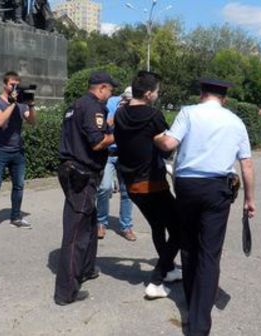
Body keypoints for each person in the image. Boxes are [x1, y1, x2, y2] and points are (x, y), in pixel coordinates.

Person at [154, 78, 256, 335]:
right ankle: (200, 322)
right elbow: (247, 165)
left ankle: (191, 300)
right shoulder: (236, 121)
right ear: (225, 98)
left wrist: (155, 136)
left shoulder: (188, 112)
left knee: (188, 246)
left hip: (187, 186)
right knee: (210, 253)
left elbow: (168, 144)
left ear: (202, 94)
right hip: (217, 189)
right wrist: (249, 200)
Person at [114, 71, 182, 299]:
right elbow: (167, 145)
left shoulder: (120, 113)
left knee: (157, 226)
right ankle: (156, 281)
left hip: (130, 183)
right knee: (180, 229)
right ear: (149, 93)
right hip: (152, 183)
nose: (158, 95)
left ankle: (170, 269)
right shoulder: (153, 115)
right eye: (157, 91)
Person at [54, 71, 117, 306]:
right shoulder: (93, 107)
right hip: (82, 174)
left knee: (89, 224)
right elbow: (97, 141)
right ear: (101, 88)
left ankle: (87, 268)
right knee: (76, 233)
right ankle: (65, 292)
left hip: (73, 169)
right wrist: (115, 134)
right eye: (110, 90)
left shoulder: (76, 105)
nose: (110, 95)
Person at [0, 71, 36, 234]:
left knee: (18, 185)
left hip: (17, 151)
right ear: (5, 85)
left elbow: (32, 122)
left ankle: (16, 217)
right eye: (12, 84)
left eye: (18, 84)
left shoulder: (22, 104)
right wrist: (12, 103)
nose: (15, 87)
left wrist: (31, 105)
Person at [96, 86, 136, 241]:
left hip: (126, 154)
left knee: (127, 192)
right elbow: (102, 126)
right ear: (123, 97)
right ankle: (101, 222)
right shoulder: (111, 103)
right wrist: (117, 114)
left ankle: (126, 226)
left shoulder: (138, 107)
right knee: (104, 187)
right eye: (127, 100)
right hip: (109, 152)